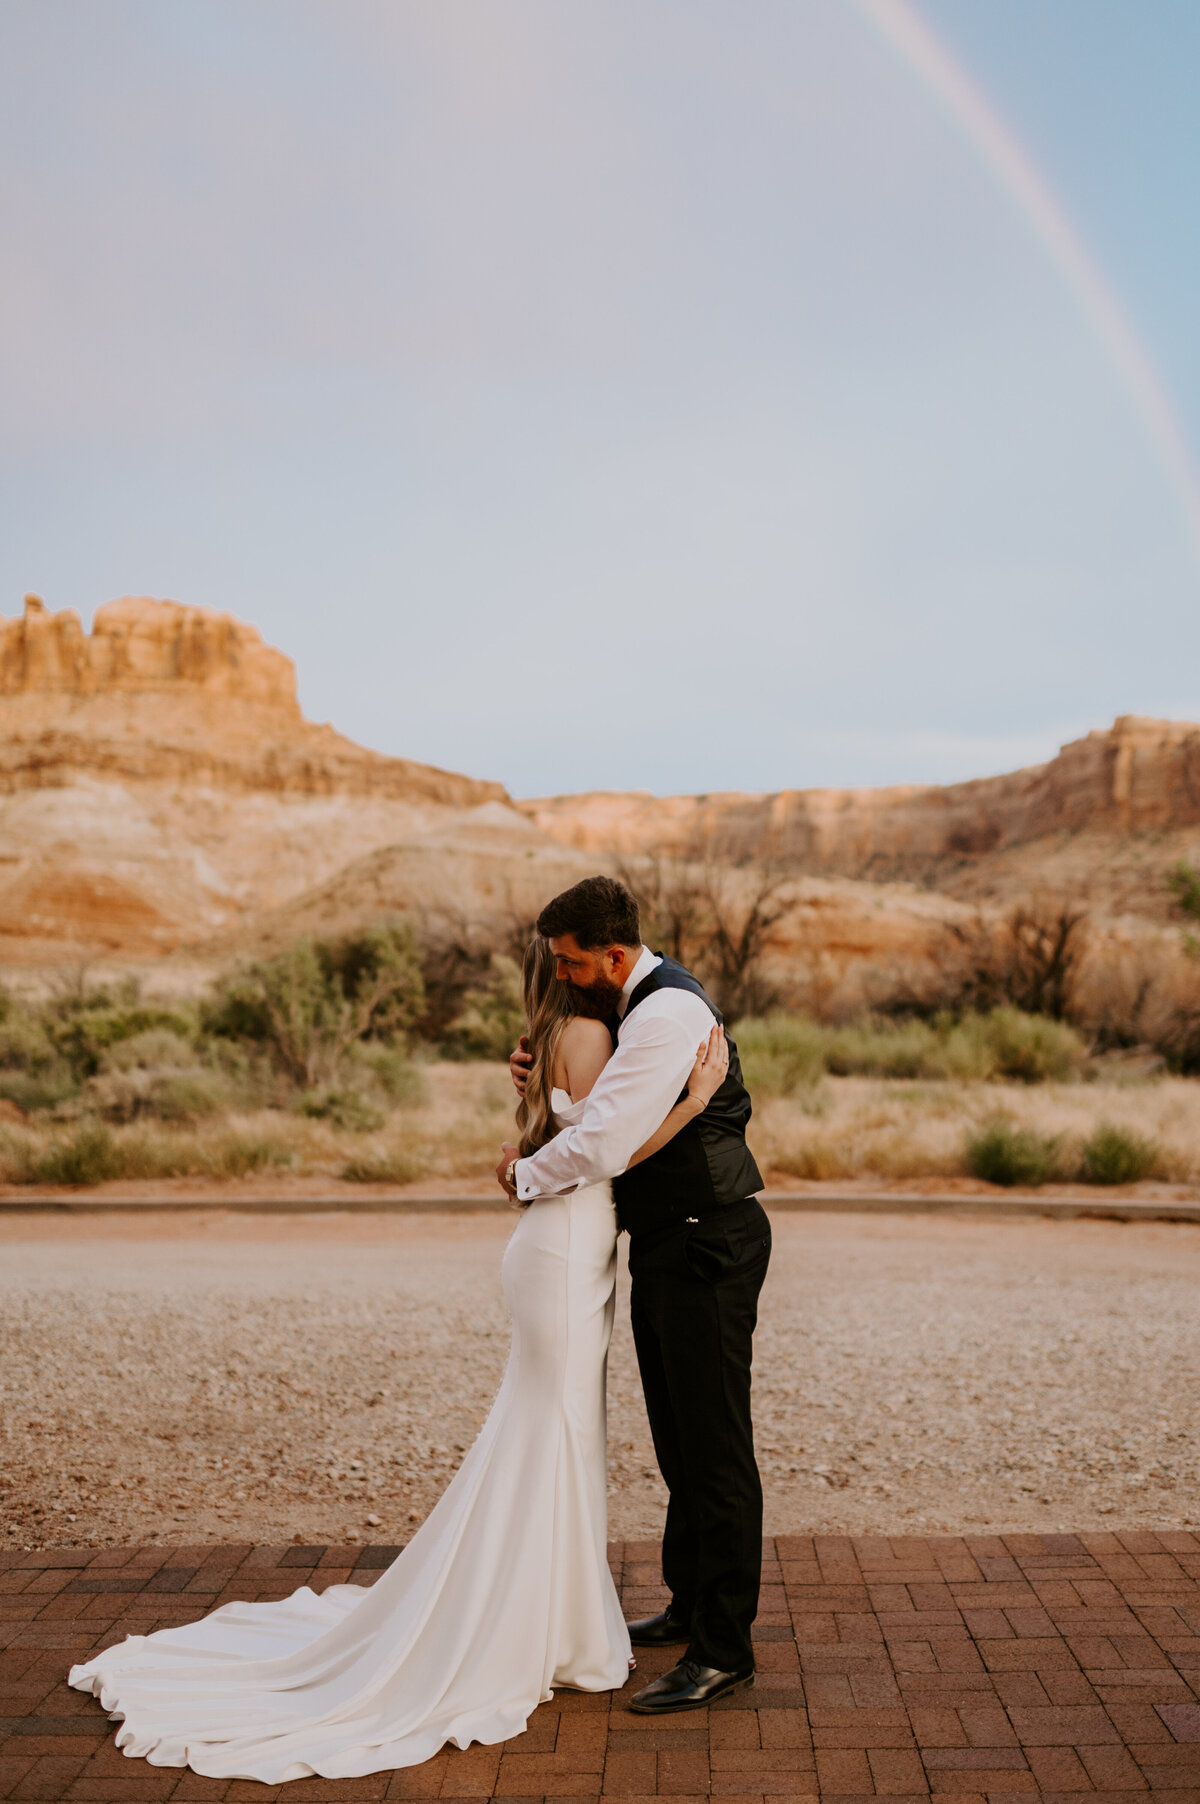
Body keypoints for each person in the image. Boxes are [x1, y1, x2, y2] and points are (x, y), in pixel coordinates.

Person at [67, 933, 729, 1786]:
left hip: (563, 1245)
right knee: (553, 1426)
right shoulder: (591, 1036)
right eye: (567, 964)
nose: (577, 974)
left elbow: (554, 1147)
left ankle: (557, 1617)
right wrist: (696, 1100)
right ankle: (542, 1626)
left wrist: (531, 1145)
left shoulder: (556, 1039)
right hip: (567, 1244)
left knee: (557, 1427)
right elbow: (609, 1151)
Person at [501, 874, 770, 1715]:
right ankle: (691, 1605)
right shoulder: (629, 1007)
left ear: (613, 954)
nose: (564, 976)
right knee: (678, 1438)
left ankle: (723, 1650)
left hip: (708, 1243)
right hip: (666, 1244)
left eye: (573, 964)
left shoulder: (663, 1016)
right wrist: (540, 1074)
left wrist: (524, 1177)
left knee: (715, 1446)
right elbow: (595, 1106)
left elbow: (607, 1144)